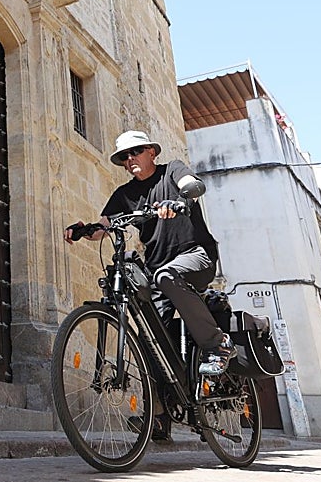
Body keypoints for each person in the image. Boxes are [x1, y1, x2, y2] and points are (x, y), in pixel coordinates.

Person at [64, 130, 234, 378]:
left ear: (151, 152)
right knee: (152, 341)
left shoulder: (171, 171)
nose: (130, 158)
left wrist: (178, 200)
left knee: (167, 275)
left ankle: (217, 344)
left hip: (196, 256)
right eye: (124, 156)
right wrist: (84, 230)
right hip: (158, 272)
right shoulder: (124, 195)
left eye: (135, 152)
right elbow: (104, 226)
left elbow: (193, 185)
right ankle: (160, 413)